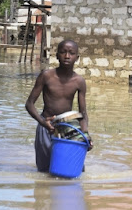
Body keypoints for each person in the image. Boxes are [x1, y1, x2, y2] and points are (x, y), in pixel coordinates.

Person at [25, 39, 93, 172]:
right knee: (44, 170)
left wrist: (85, 135)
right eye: (63, 52)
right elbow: (29, 104)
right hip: (46, 126)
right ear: (56, 55)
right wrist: (43, 122)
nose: (67, 56)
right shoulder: (46, 76)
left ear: (77, 58)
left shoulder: (79, 81)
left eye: (71, 53)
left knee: (74, 167)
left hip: (67, 128)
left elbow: (83, 113)